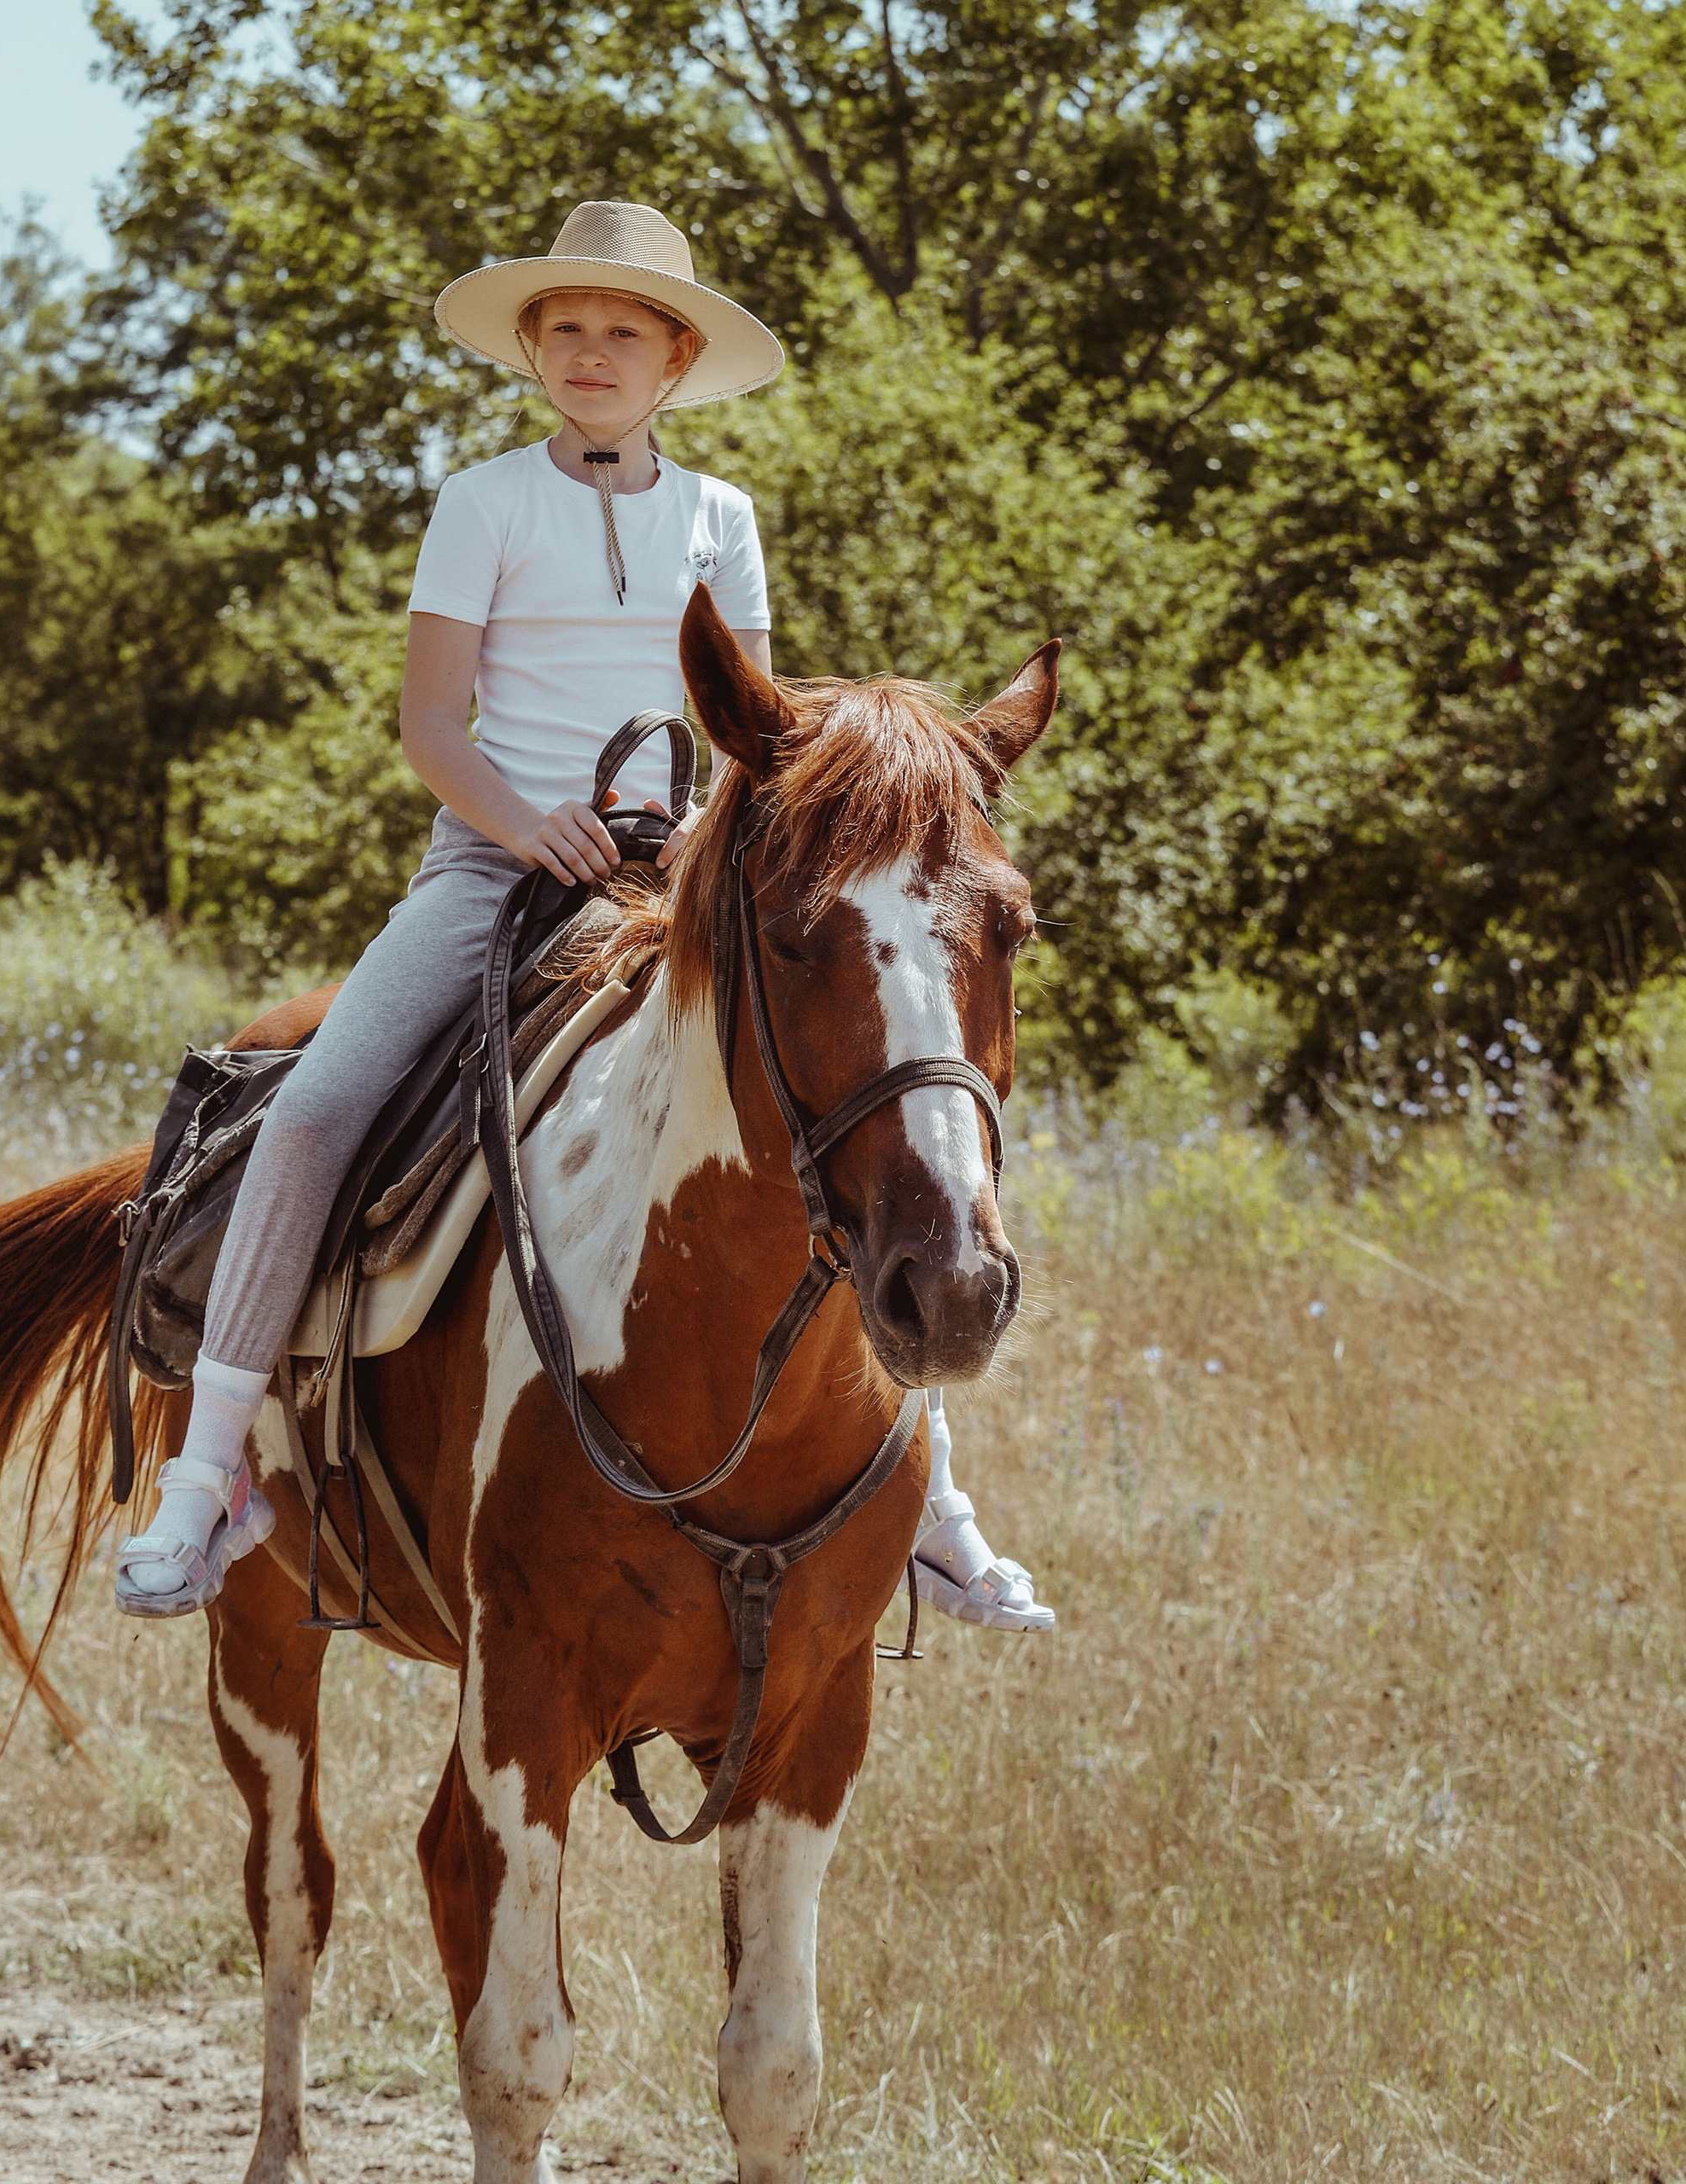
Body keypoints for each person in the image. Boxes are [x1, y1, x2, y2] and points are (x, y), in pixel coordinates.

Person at [113, 200, 1053, 1635]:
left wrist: (691, 855)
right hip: (494, 863)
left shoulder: (721, 517)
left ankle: (928, 1498)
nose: (590, 352)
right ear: (533, 355)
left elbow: (754, 732)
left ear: (676, 359)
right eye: (565, 330)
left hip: (675, 879)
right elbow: (432, 724)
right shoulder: (482, 503)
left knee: (832, 1123)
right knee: (312, 1114)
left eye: (623, 331)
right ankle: (207, 1478)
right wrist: (518, 822)